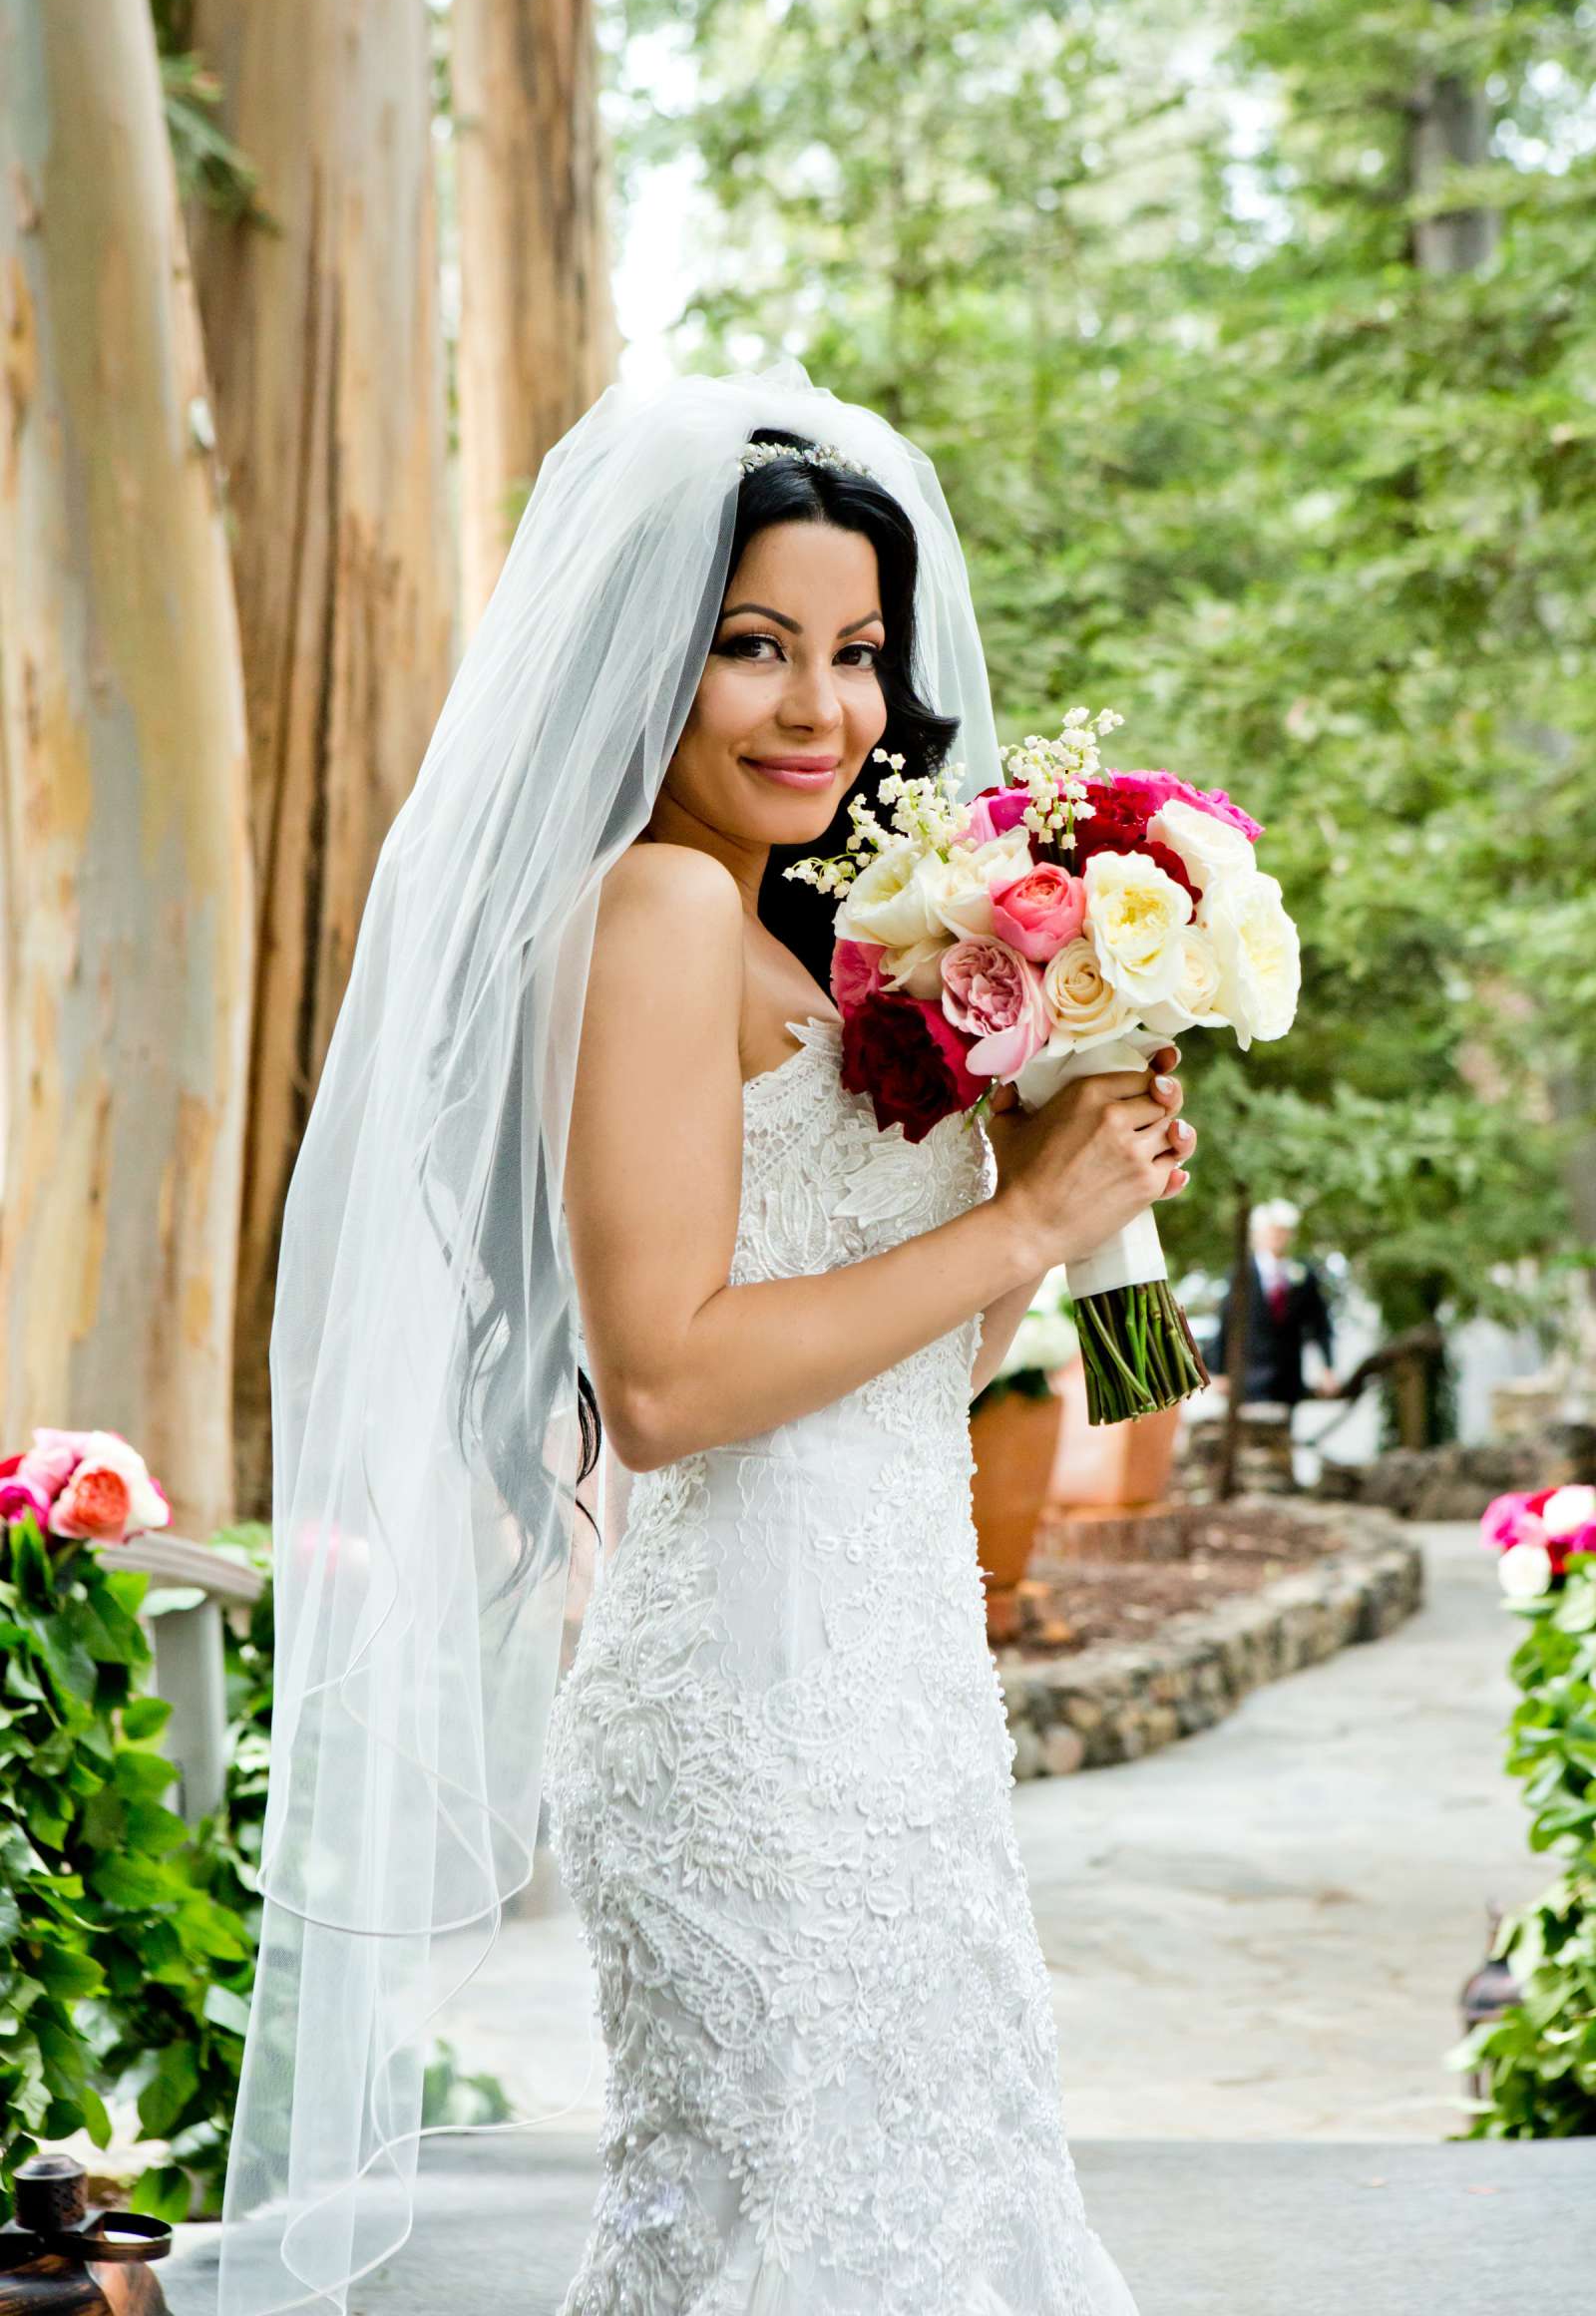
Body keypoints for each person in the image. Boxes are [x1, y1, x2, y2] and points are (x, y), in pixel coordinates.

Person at [215, 362, 1193, 2316]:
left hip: (890, 1696)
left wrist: (1067, 1190)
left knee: (925, 2230)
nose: (819, 708)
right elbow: (662, 1384)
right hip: (756, 1725)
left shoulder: (778, 944)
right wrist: (1013, 1215)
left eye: (853, 651)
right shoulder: (654, 908)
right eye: (754, 648)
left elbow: (886, 1360)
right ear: (649, 654)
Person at [1211, 1198, 1336, 1406]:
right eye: (1272, 1231)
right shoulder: (1240, 1274)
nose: (1277, 1237)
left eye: (1283, 1231)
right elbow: (1226, 1323)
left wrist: (1328, 1368)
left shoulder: (1305, 1275)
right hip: (1248, 1380)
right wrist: (1218, 1371)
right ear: (1257, 1235)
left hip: (1288, 1380)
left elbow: (1320, 1325)